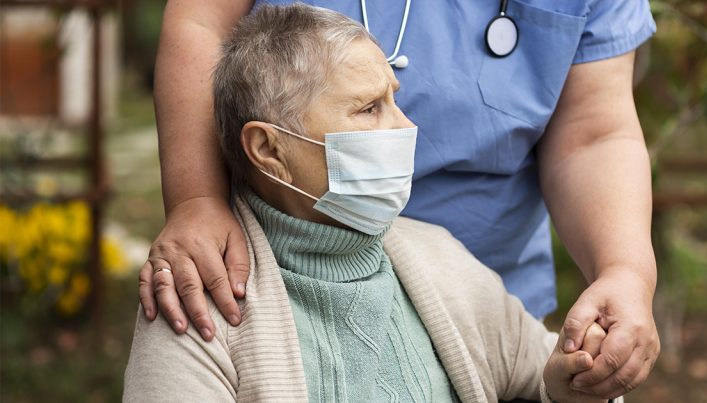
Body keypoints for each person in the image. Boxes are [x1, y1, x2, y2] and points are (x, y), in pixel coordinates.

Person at [139, 0, 660, 399]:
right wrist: (195, 201)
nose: (408, 130)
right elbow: (198, 22)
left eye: (395, 102)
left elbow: (595, 132)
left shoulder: (458, 277)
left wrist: (624, 274)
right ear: (268, 148)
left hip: (483, 298)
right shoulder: (205, 317)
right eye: (369, 108)